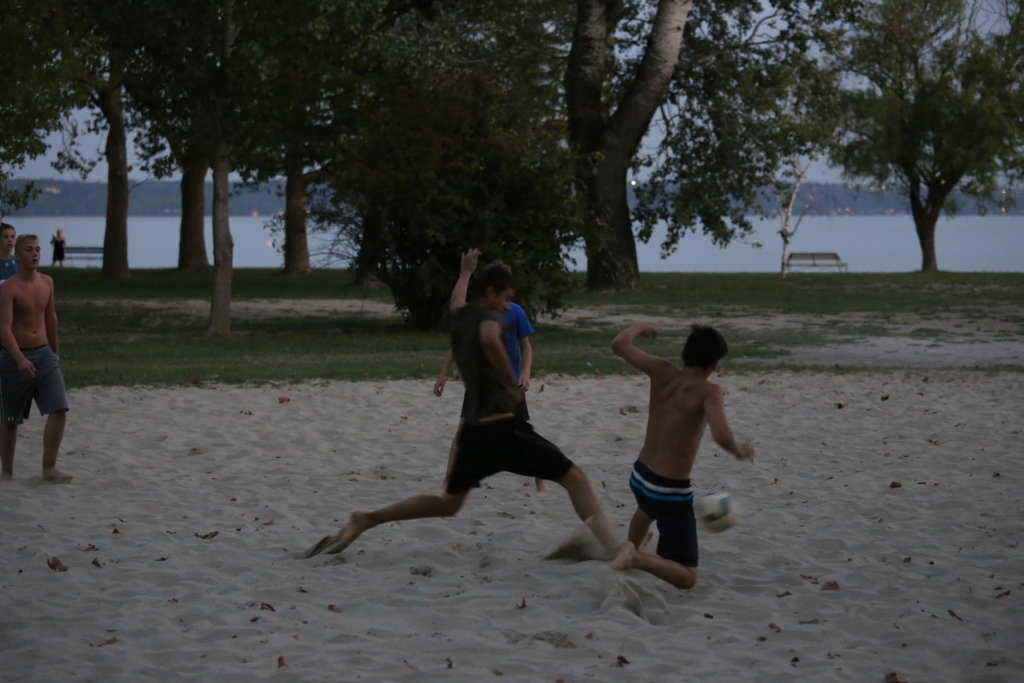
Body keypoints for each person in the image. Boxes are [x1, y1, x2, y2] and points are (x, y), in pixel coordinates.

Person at [302, 251, 619, 559]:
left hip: (473, 432)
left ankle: (367, 519)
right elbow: (489, 337)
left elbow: (456, 299)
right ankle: (614, 548)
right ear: (490, 292)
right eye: (504, 298)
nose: (506, 306)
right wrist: (511, 380)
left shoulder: (460, 316)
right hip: (501, 431)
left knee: (447, 504)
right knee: (575, 477)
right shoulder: (489, 319)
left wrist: (465, 272)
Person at [609, 323, 753, 589]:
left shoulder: (662, 370)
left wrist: (640, 327)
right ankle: (635, 558)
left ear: (683, 354)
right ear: (714, 365)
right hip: (668, 491)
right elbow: (721, 435)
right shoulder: (709, 391)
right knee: (688, 577)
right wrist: (739, 450)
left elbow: (619, 344)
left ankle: (630, 547)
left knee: (645, 509)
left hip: (639, 476)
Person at [434, 256, 548, 492]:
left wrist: (526, 373)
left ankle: (541, 478)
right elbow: (458, 345)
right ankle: (448, 481)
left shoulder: (516, 312)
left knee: (523, 434)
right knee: (463, 432)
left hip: (510, 384)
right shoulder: (476, 314)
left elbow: (526, 347)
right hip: (481, 385)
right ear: (491, 290)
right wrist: (443, 373)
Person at [0, 235, 71, 483]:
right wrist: (19, 359)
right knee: (11, 420)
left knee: (59, 408)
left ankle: (49, 467)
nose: (35, 254)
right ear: (18, 255)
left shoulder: (47, 282)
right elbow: (4, 328)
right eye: (29, 250)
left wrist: (55, 352)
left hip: (44, 354)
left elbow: (51, 318)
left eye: (38, 249)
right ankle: (7, 472)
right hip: (14, 358)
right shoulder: (8, 288)